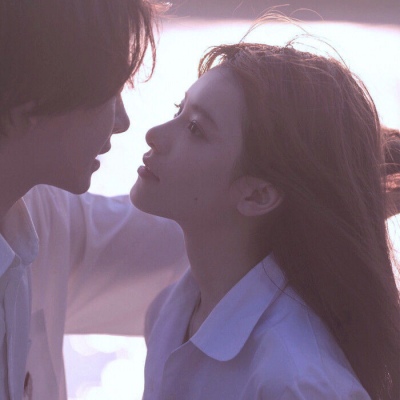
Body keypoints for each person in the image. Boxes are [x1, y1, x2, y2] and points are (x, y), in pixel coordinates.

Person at [130, 39, 400, 399]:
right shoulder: (172, 311)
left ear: (258, 195)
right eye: (179, 110)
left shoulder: (296, 382)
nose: (154, 135)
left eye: (195, 129)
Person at [0, 1, 187, 400]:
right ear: (36, 98)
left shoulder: (39, 216)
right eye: (111, 91)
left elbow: (198, 246)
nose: (123, 122)